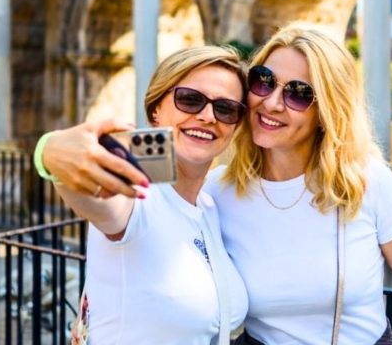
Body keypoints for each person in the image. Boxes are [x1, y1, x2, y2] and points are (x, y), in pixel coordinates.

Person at [205, 25, 392, 345]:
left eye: (298, 94)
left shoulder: (366, 182)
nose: (272, 103)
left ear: (326, 111)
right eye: (264, 81)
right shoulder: (217, 193)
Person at [34, 46, 249, 344]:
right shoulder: (135, 197)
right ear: (156, 110)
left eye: (226, 108)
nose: (208, 115)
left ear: (236, 126)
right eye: (190, 99)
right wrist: (50, 151)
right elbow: (93, 196)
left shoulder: (210, 206)